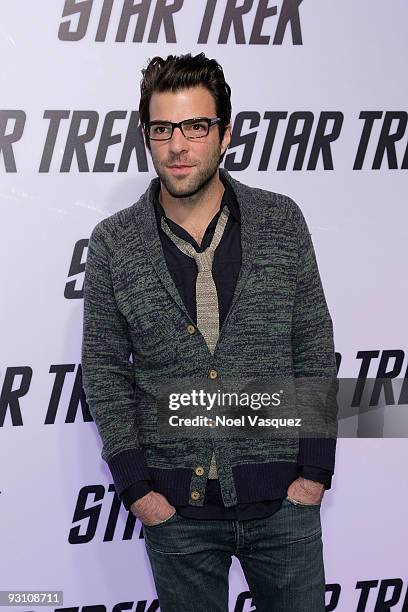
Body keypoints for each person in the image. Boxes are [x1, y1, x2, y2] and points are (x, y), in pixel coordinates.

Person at [81, 52, 338, 612]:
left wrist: (313, 471)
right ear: (146, 137)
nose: (178, 145)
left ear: (224, 134)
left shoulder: (280, 221)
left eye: (196, 126)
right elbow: (103, 370)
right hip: (175, 515)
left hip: (283, 505)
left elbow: (314, 347)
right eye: (162, 129)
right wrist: (139, 490)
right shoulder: (113, 244)